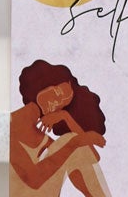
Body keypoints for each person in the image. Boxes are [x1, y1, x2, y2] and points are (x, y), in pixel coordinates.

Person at [10, 60, 113, 197]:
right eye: (58, 92)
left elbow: (90, 156)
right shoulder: (8, 124)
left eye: (63, 103)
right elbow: (34, 180)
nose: (56, 103)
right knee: (71, 141)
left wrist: (66, 117)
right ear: (45, 82)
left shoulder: (42, 138)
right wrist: (76, 141)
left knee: (71, 144)